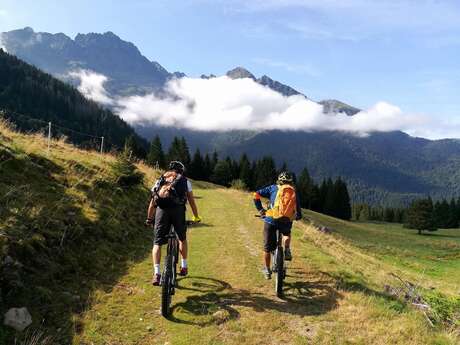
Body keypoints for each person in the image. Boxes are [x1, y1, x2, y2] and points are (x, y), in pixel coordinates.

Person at [145, 161, 201, 286]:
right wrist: (196, 216)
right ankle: (184, 266)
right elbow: (191, 201)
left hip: (161, 212)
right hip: (178, 211)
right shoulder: (185, 181)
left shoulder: (160, 180)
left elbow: (153, 201)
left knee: (157, 243)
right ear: (181, 171)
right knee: (182, 238)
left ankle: (157, 273)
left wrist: (149, 218)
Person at [253, 171, 302, 279]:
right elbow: (298, 212)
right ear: (291, 182)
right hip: (286, 221)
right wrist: (296, 217)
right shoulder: (293, 192)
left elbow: (256, 194)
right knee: (286, 233)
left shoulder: (272, 188)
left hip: (271, 220)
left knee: (267, 248)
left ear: (279, 180)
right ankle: (287, 249)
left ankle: (267, 270)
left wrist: (261, 210)